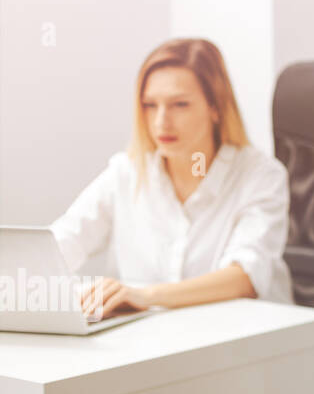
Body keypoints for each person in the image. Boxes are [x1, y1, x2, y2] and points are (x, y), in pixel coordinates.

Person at [52, 38, 293, 315]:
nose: (161, 122)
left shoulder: (260, 177)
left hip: (248, 339)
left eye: (180, 105)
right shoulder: (127, 172)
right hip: (155, 339)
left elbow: (244, 277)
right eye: (150, 105)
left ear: (215, 107)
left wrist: (145, 295)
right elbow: (65, 240)